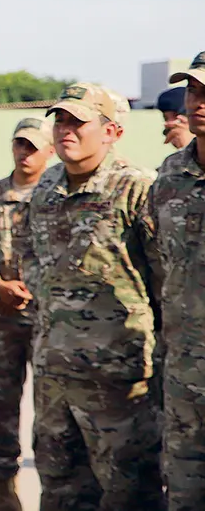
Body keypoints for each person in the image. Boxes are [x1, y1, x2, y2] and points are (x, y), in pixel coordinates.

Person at [22, 82, 164, 510]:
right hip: (53, 377)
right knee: (60, 491)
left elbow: (165, 277)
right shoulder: (47, 187)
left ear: (112, 132)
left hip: (116, 382)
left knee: (128, 494)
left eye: (78, 122)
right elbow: (32, 255)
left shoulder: (139, 189)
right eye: (60, 120)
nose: (66, 130)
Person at [0, 118, 55, 511]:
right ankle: (5, 487)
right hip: (0, 318)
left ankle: (57, 486)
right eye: (20, 145)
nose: (25, 153)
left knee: (52, 409)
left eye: (34, 147)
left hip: (48, 320)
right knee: (1, 405)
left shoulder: (56, 195)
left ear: (49, 152)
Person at [145, 52, 205, 511]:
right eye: (194, 91)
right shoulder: (169, 175)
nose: (198, 102)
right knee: (182, 491)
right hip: (183, 366)